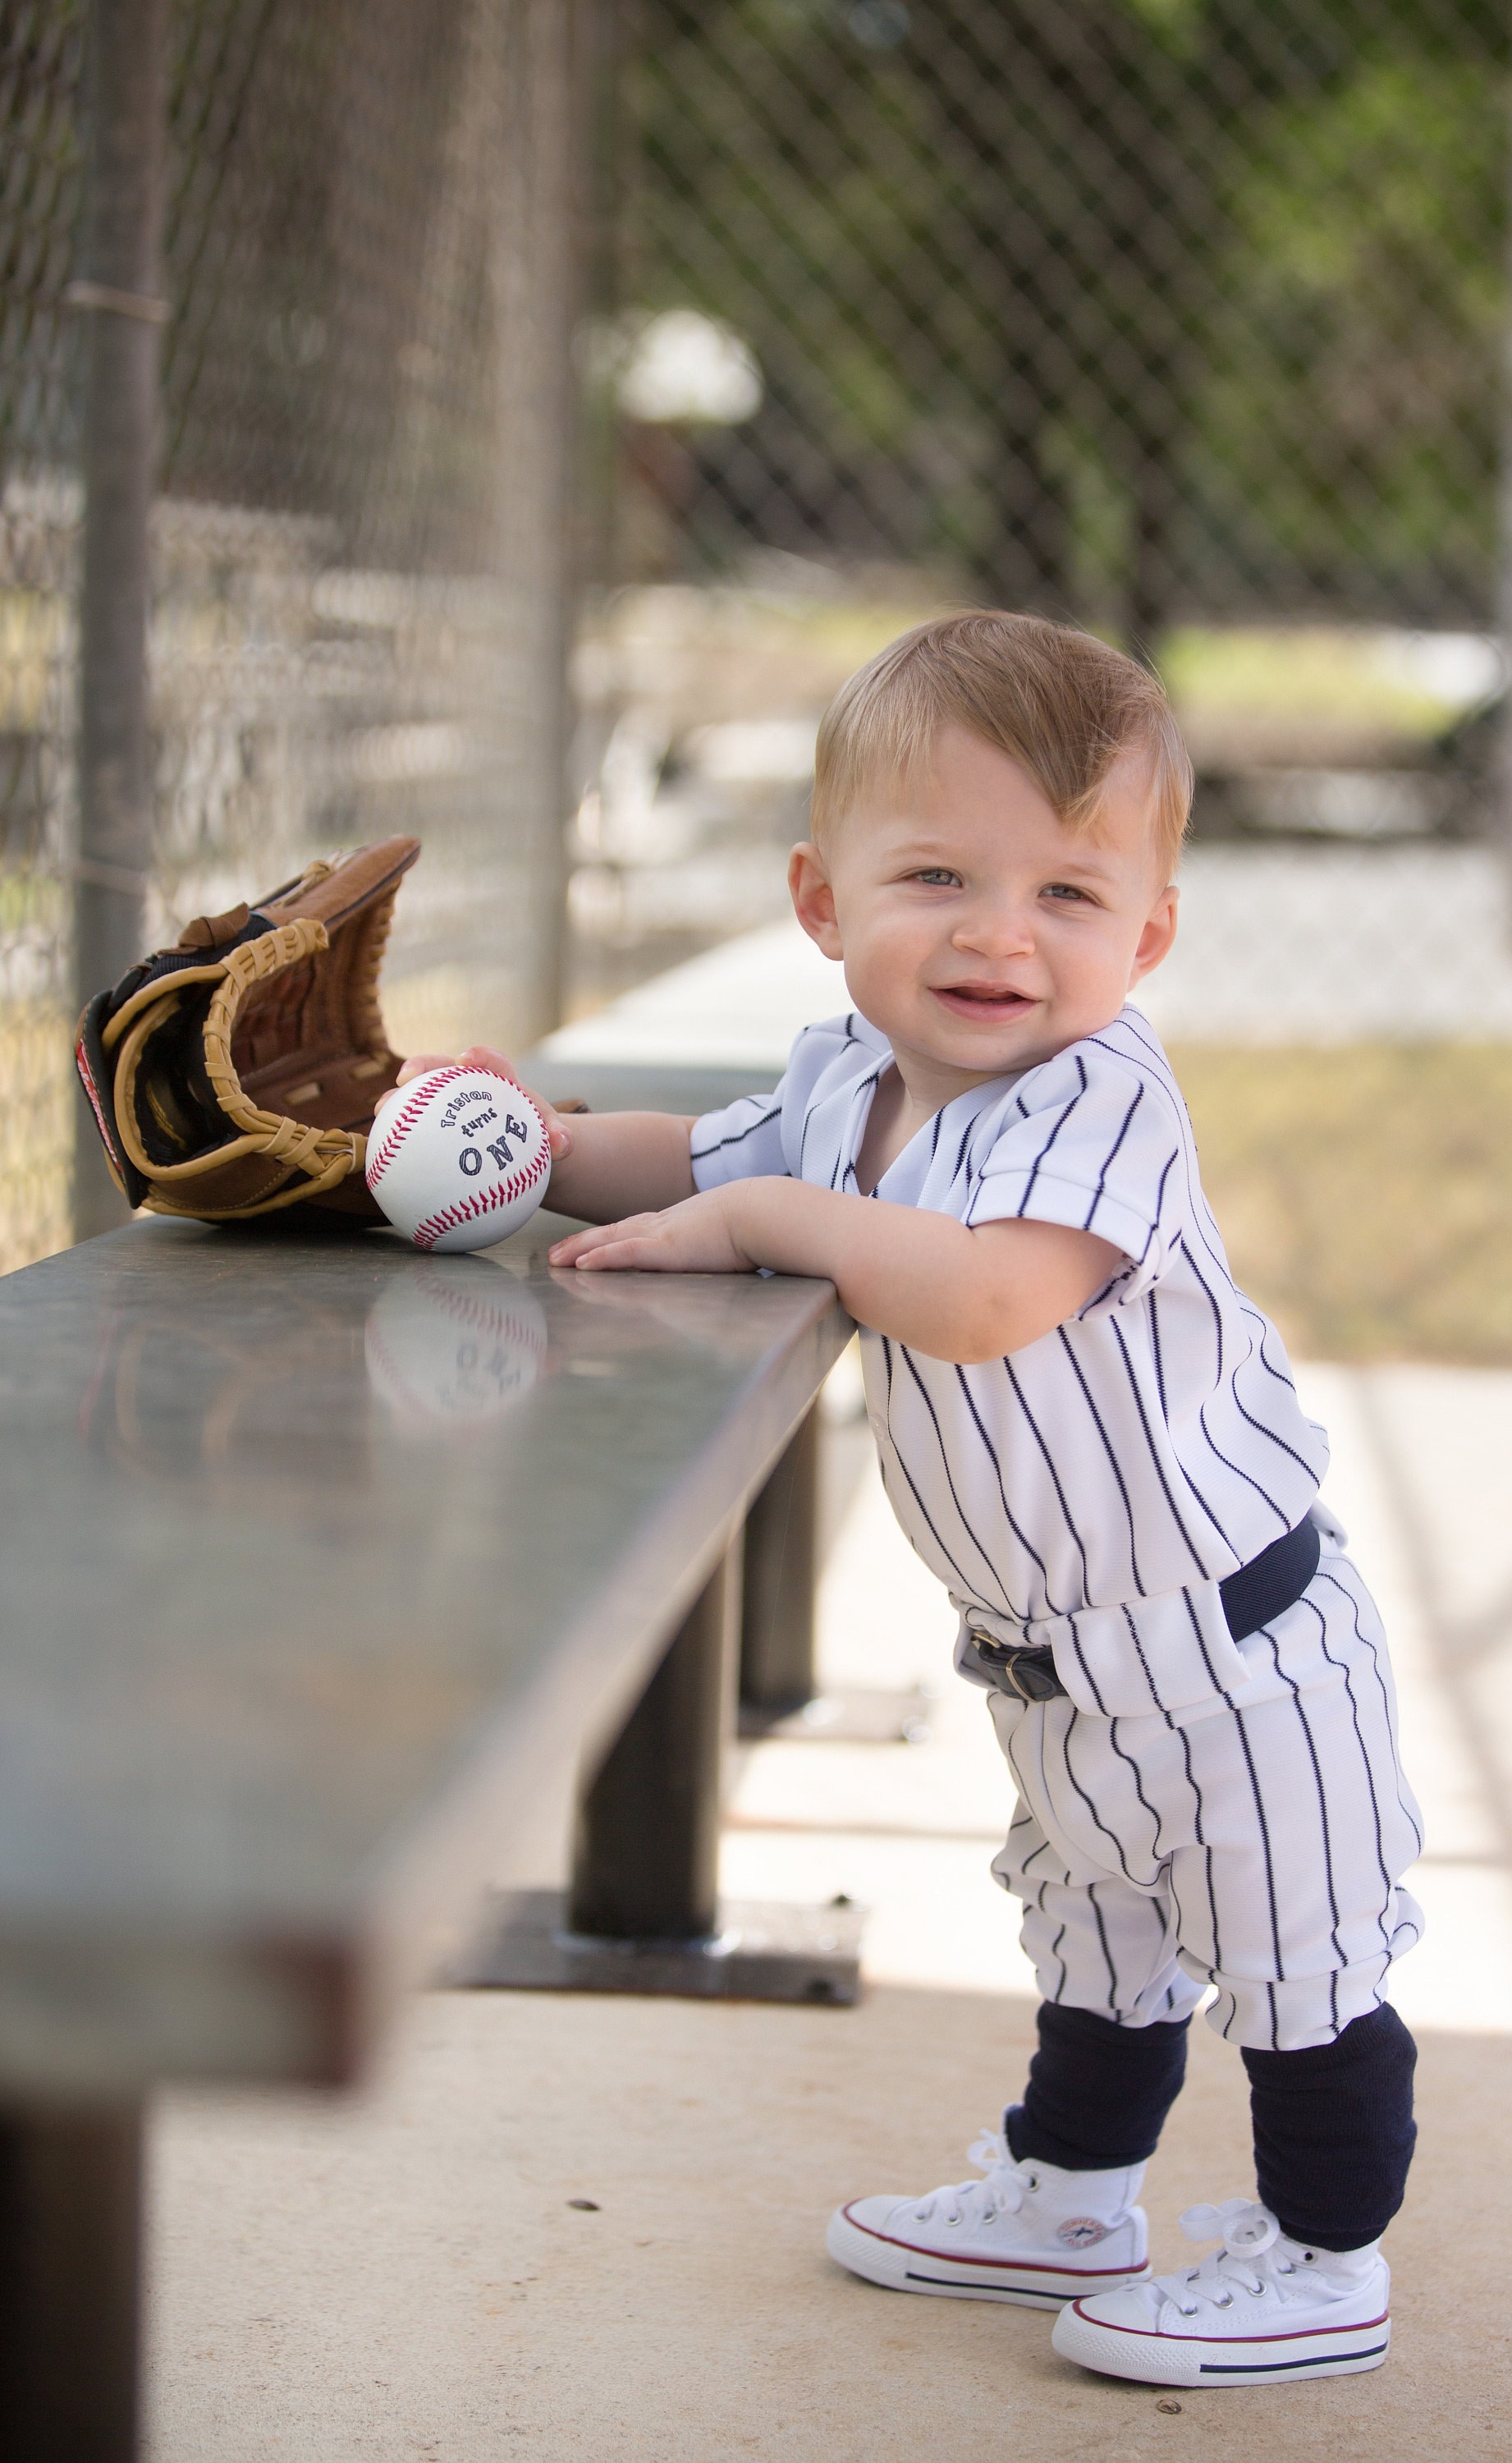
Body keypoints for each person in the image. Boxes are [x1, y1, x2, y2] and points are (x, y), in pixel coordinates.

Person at [404, 612, 1423, 2394]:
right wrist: (530, 1139)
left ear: (1149, 933)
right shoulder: (845, 1085)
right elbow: (698, 1158)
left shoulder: (1101, 1093)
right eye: (936, 871)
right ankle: (1070, 2191)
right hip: (1057, 1659)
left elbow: (975, 1293)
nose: (996, 934)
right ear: (820, 898)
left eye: (1067, 894)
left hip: (1239, 1649)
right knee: (1097, 1930)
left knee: (1292, 1959)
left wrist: (763, 1226)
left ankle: (1323, 2256)